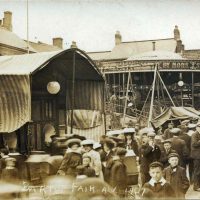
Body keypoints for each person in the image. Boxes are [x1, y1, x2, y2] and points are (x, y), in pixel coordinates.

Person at [191, 122, 200, 191]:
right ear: (197, 128)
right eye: (199, 127)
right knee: (197, 171)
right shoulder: (194, 134)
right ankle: (195, 186)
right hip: (197, 156)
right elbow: (194, 144)